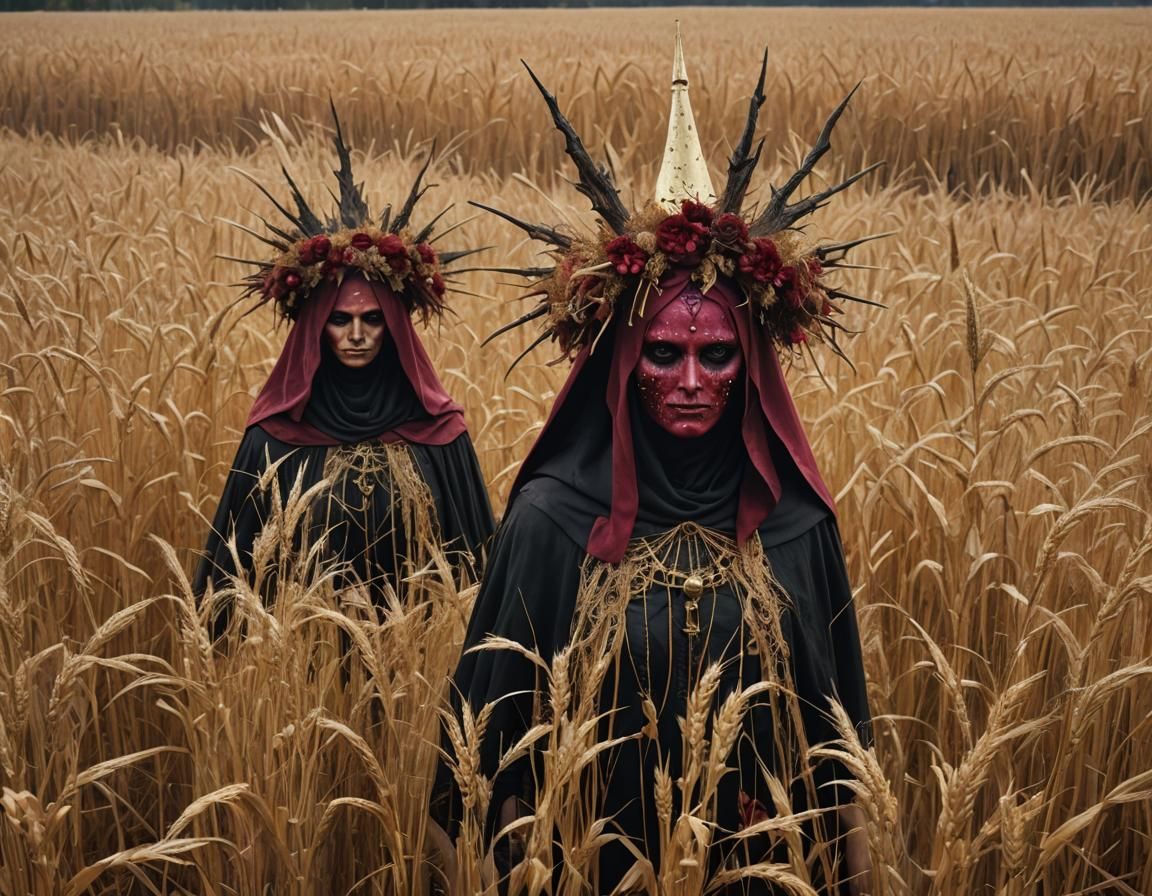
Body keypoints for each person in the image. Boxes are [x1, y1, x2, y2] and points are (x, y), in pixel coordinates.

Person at [446, 31, 877, 894]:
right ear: (619, 361)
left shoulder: (797, 529)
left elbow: (841, 764)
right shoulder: (549, 523)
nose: (687, 381)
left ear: (752, 365)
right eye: (662, 355)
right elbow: (490, 761)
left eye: (716, 356)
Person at [194, 114, 494, 637]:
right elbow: (230, 591)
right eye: (340, 319)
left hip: (415, 675)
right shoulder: (273, 440)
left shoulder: (441, 435)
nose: (357, 334)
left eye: (372, 319)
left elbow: (479, 583)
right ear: (316, 328)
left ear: (395, 328)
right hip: (298, 678)